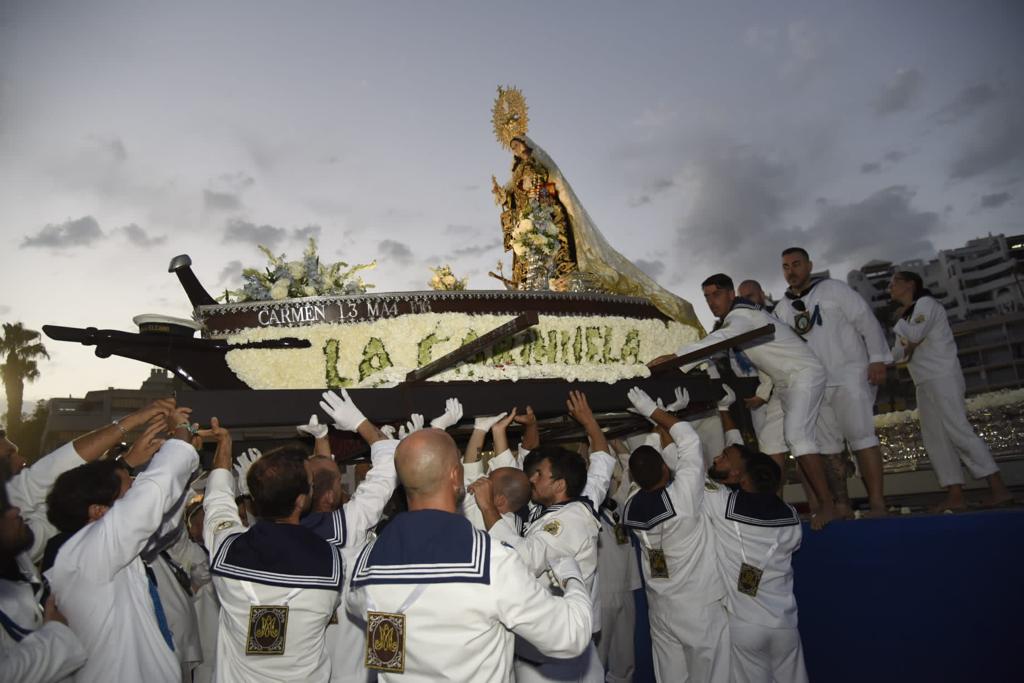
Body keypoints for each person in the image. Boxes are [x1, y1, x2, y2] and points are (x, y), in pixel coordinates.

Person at [345, 428, 593, 682]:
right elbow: (570, 636)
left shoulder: (366, 562)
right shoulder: (492, 561)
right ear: (455, 476)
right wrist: (572, 578)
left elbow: (360, 611)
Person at [654, 273, 835, 528]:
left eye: (716, 295)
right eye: (706, 297)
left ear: (731, 294)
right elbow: (769, 354)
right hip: (783, 382)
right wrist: (763, 393)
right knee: (770, 445)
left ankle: (828, 506)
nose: (711, 302)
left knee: (797, 437)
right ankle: (767, 505)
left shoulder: (742, 316)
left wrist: (676, 358)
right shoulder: (742, 316)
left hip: (803, 376)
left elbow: (720, 340)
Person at [46, 404, 199, 683]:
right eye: (129, 489)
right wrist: (182, 435)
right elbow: (154, 491)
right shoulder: (92, 552)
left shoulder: (102, 550)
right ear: (99, 511)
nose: (137, 486)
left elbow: (161, 519)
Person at [481, 391, 610, 683]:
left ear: (560, 484)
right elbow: (601, 462)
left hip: (550, 654)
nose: (532, 479)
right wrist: (586, 421)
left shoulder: (569, 521)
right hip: (565, 644)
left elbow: (524, 558)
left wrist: (487, 507)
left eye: (539, 475)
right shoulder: (576, 500)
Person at [202, 419, 342, 683]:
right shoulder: (330, 561)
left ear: (253, 498)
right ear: (301, 501)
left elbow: (217, 500)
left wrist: (224, 444)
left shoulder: (227, 550)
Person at [623, 386, 731, 683]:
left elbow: (647, 461)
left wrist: (660, 420)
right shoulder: (682, 499)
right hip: (700, 607)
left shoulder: (630, 506)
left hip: (661, 608)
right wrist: (657, 412)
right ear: (665, 469)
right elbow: (689, 442)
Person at [774, 247, 892, 518]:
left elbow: (866, 320)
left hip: (849, 376)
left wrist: (877, 358)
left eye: (796, 264)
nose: (791, 271)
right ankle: (841, 506)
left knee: (863, 438)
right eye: (785, 267)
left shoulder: (834, 290)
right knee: (828, 449)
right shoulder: (781, 309)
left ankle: (877, 504)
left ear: (809, 265)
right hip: (813, 386)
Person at [888, 271, 1013, 512]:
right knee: (936, 438)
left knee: (958, 429)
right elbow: (899, 354)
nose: (890, 289)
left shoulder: (926, 304)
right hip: (923, 381)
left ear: (909, 284)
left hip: (942, 376)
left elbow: (914, 336)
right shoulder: (908, 315)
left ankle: (999, 489)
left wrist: (901, 322)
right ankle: (955, 494)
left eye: (894, 284)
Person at [307, 391, 401, 683]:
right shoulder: (350, 525)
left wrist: (321, 438)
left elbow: (320, 482)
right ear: (332, 493)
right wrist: (362, 424)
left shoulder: (283, 532)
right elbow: (388, 466)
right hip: (353, 670)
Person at [705, 445, 808, 683]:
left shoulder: (724, 507)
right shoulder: (791, 518)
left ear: (742, 480)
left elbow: (700, 477)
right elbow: (794, 545)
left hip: (745, 624)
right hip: (784, 625)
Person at [0, 483, 87, 683]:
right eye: (3, 510)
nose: (15, 510)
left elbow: (48, 518)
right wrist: (57, 633)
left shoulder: (17, 554)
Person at [736, 280, 791, 486]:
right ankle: (775, 501)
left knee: (801, 447)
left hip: (790, 386)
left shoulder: (776, 318)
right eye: (742, 297)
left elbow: (774, 361)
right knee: (768, 446)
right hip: (759, 393)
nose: (746, 301)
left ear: (761, 294)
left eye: (750, 296)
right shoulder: (744, 325)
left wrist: (763, 392)